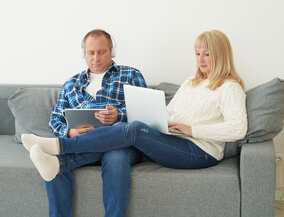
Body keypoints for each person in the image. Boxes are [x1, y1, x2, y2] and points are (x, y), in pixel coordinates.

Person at [22, 29, 248, 204]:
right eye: (198, 54)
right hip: (175, 141)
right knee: (138, 126)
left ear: (221, 55)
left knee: (135, 129)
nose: (201, 59)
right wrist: (160, 117)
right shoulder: (191, 82)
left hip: (200, 151)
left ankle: (60, 147)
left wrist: (193, 130)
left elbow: (238, 129)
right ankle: (59, 159)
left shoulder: (230, 87)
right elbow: (170, 110)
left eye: (207, 54)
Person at [27, 29, 147, 217]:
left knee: (114, 156)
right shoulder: (71, 84)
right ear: (84, 54)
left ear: (112, 52)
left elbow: (146, 116)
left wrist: (119, 116)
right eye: (91, 53)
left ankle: (62, 149)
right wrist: (69, 133)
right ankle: (66, 146)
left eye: (101, 52)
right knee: (53, 162)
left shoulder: (130, 75)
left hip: (122, 144)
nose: (95, 58)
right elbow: (55, 119)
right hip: (81, 144)